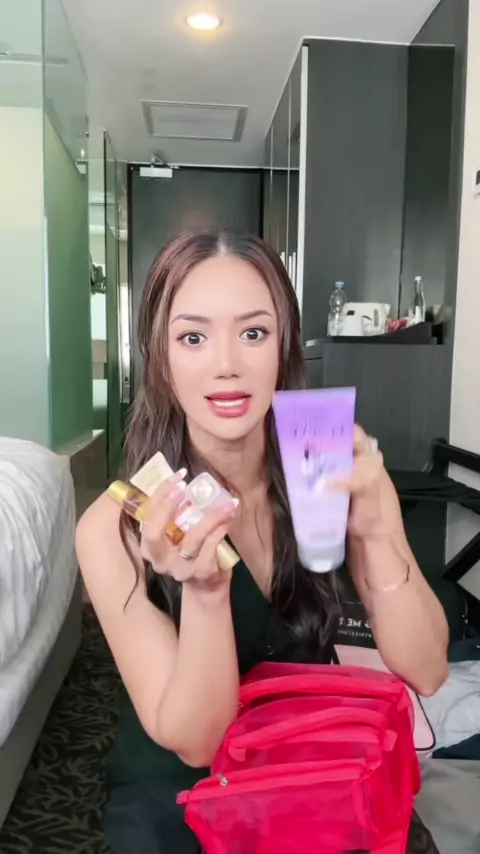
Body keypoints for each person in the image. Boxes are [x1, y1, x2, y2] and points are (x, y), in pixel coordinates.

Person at [76, 230, 449, 854]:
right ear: (160, 357)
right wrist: (205, 591)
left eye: (253, 332)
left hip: (307, 773)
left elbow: (428, 670)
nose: (226, 363)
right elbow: (197, 742)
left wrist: (378, 530)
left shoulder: (326, 464)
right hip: (185, 798)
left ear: (283, 348)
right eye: (193, 337)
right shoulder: (119, 524)